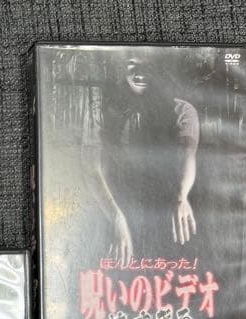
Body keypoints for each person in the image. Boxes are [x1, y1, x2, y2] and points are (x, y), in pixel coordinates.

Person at [86, 54, 200, 262]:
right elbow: (92, 168)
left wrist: (181, 197)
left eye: (148, 66)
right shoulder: (104, 112)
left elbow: (187, 153)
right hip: (115, 206)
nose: (139, 74)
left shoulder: (183, 110)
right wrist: (116, 218)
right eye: (132, 65)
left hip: (164, 212)